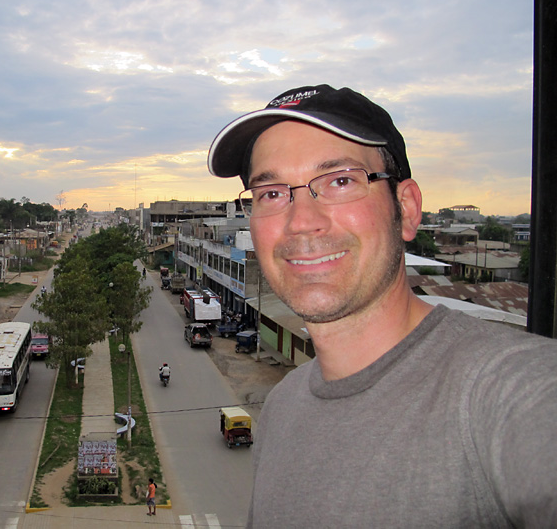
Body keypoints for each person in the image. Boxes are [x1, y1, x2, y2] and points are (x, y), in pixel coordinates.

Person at [208, 84, 557, 527]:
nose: (301, 222)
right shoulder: (281, 410)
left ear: (407, 208)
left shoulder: (502, 387)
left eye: (340, 181)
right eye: (272, 193)